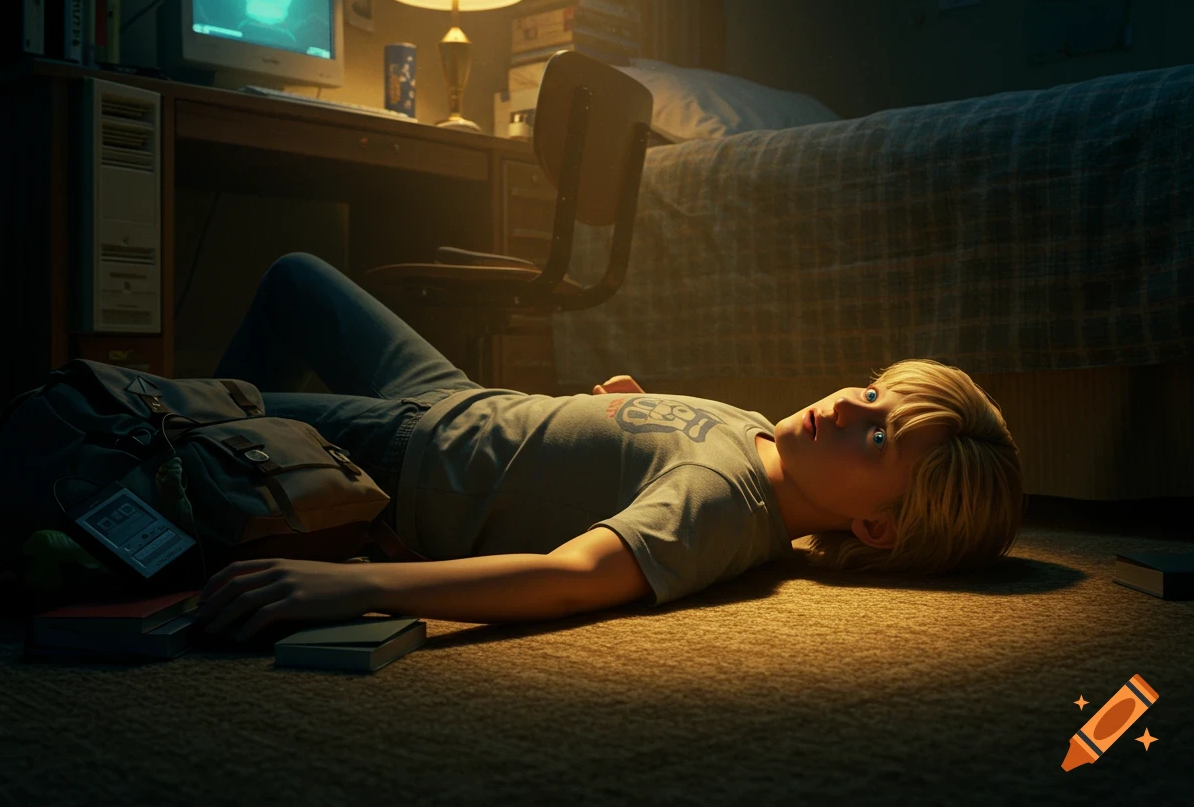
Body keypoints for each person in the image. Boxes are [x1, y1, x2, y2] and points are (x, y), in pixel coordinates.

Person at [196, 253, 1025, 640]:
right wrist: (615, 421)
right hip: (465, 403)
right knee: (295, 279)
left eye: (877, 435)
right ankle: (228, 480)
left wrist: (357, 590)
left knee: (161, 408)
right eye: (874, 392)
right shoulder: (762, 442)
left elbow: (571, 579)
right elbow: (641, 457)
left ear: (876, 528)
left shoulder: (724, 504)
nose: (848, 402)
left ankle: (220, 476)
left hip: (412, 458)